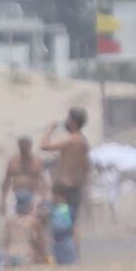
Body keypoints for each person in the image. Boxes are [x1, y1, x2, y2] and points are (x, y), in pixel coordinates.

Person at [40, 107, 91, 260]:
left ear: (73, 122)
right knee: (72, 224)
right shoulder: (83, 141)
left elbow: (44, 146)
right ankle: (75, 257)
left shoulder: (72, 140)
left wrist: (49, 129)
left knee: (60, 223)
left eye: (68, 119)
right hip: (75, 187)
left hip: (63, 188)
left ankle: (62, 257)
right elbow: (86, 167)